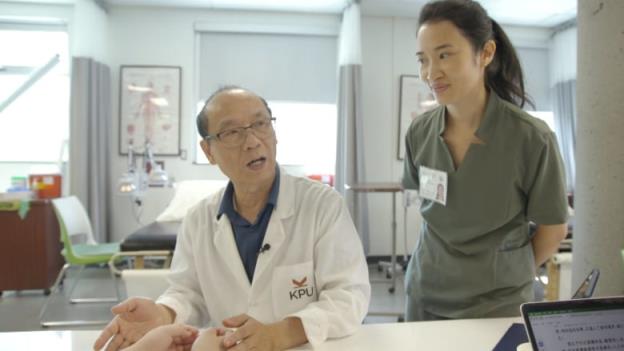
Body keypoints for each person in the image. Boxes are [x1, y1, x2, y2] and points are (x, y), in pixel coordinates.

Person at [94, 86, 370, 350]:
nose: (252, 142)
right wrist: (163, 313)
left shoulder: (322, 205)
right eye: (232, 132)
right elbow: (188, 293)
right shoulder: (198, 220)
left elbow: (349, 297)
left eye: (261, 124)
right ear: (208, 151)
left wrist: (282, 333)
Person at [402, 0, 568, 321]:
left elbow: (553, 229)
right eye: (424, 59)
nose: (431, 72)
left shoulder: (531, 138)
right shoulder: (419, 132)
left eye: (445, 55)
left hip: (497, 305)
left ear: (486, 53)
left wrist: (506, 271)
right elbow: (429, 210)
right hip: (426, 295)